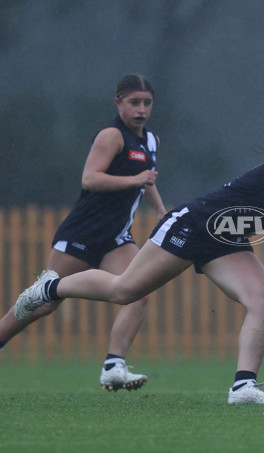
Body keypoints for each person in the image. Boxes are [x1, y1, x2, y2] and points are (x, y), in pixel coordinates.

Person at [13, 123, 264, 404]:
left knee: (263, 299)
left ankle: (243, 388)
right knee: (126, 291)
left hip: (227, 240)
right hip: (194, 223)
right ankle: (49, 288)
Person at [0, 74, 167, 391]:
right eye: (134, 102)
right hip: (83, 232)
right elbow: (90, 179)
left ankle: (114, 366)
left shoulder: (151, 140)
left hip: (117, 237)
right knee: (45, 303)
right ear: (118, 102)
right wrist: (135, 181)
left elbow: (146, 179)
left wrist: (159, 209)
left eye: (147, 103)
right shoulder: (111, 135)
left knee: (139, 291)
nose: (141, 109)